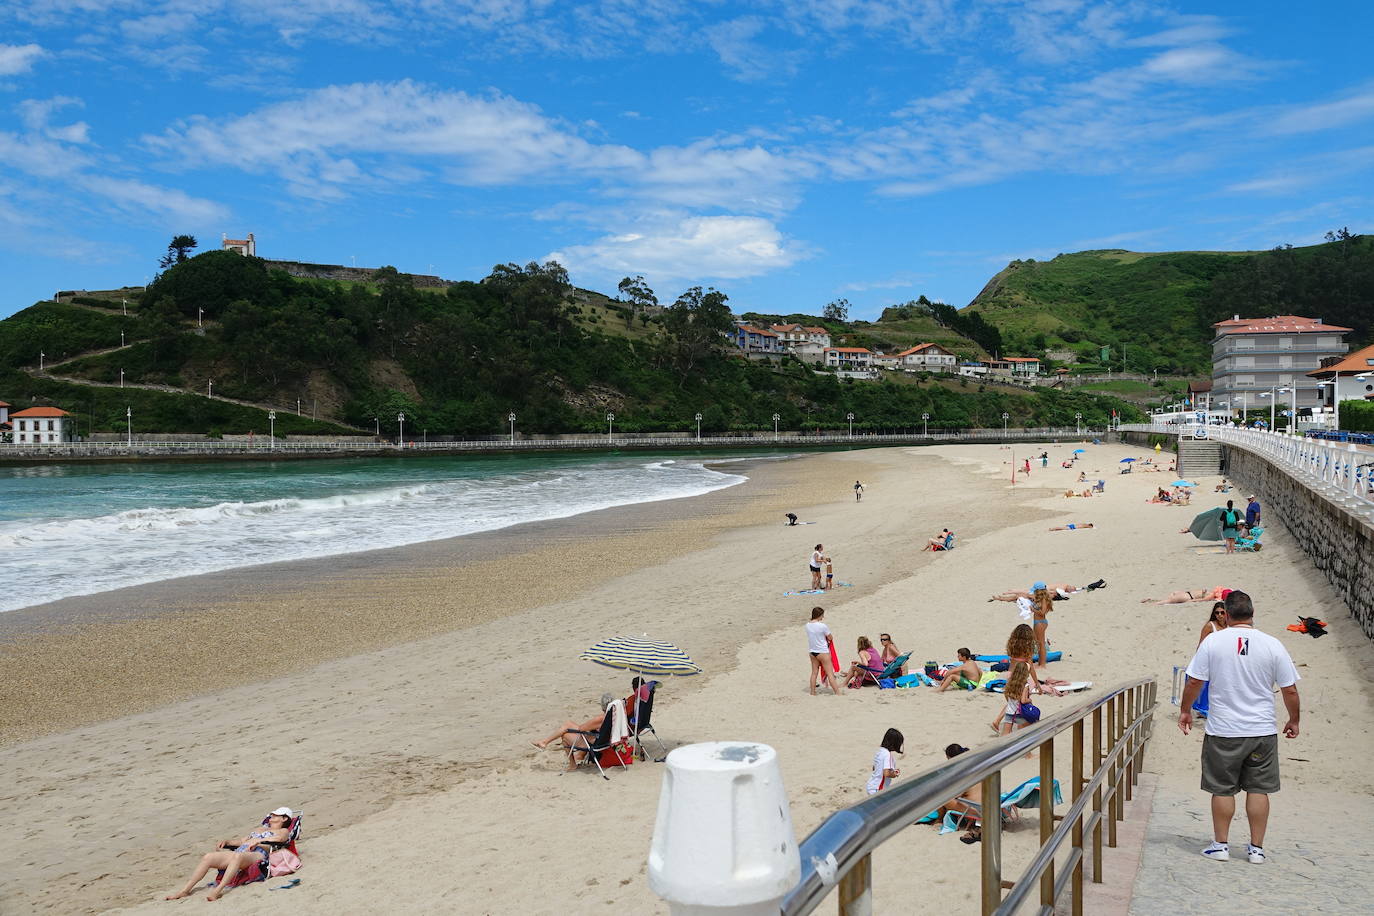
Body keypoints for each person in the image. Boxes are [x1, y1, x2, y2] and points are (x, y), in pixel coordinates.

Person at [1178, 590, 1300, 865]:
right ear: (1253, 614)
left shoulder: (1213, 642)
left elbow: (1194, 681)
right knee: (1259, 788)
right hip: (1261, 729)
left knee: (1222, 788)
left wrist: (1186, 710)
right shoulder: (1272, 644)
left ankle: (1220, 844)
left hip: (1224, 730)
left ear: (1227, 615)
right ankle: (1256, 849)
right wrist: (1294, 720)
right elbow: (1289, 690)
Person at [165, 808, 294, 900]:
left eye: (276, 815)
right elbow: (241, 841)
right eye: (272, 814)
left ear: (284, 818)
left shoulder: (283, 831)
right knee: (208, 857)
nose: (272, 816)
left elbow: (280, 840)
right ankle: (185, 891)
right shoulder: (260, 829)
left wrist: (259, 841)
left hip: (259, 853)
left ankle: (218, 890)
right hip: (242, 850)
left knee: (237, 857)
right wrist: (227, 841)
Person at [532, 692, 621, 767]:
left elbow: (581, 728)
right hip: (606, 741)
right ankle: (545, 742)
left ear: (602, 706)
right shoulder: (615, 716)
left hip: (596, 744)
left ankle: (572, 764)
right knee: (569, 725)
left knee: (565, 735)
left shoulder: (601, 719)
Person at [937, 743, 984, 843]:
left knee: (940, 796)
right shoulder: (975, 766)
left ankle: (939, 820)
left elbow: (956, 795)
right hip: (988, 805)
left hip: (976, 809)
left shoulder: (962, 771)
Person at [1191, 603, 1228, 719]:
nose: (1220, 615)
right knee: (1209, 685)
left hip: (1225, 659)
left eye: (1222, 612)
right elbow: (1201, 645)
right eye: (1217, 613)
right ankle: (1204, 710)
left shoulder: (1230, 626)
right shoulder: (1210, 626)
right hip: (1211, 659)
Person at [807, 607, 844, 696]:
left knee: (814, 673)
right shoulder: (822, 626)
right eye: (822, 615)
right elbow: (830, 637)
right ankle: (837, 692)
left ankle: (812, 692)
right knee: (830, 674)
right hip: (823, 652)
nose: (823, 617)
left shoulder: (807, 625)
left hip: (812, 652)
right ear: (819, 615)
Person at [998, 662, 1035, 737]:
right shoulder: (1025, 684)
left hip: (1009, 711)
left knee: (1005, 734)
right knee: (1021, 733)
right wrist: (1029, 700)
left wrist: (1010, 703)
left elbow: (1006, 694)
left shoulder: (1010, 681)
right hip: (1019, 712)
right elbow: (1023, 700)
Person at [867, 728, 904, 794]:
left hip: (871, 785)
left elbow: (874, 768)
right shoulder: (887, 755)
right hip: (878, 788)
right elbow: (886, 773)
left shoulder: (880, 751)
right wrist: (895, 773)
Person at [1028, 584, 1053, 671]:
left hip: (1040, 623)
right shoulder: (1040, 599)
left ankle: (1042, 665)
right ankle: (1040, 663)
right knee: (1038, 643)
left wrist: (1033, 609)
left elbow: (1042, 612)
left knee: (1041, 643)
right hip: (1038, 622)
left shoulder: (1044, 600)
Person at [1141, 586, 1231, 605]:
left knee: (1165, 600)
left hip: (1184, 593)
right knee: (1164, 602)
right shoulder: (1211, 596)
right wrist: (1190, 601)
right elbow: (1201, 600)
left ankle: (1150, 600)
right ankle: (1149, 603)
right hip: (1187, 597)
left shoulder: (1212, 592)